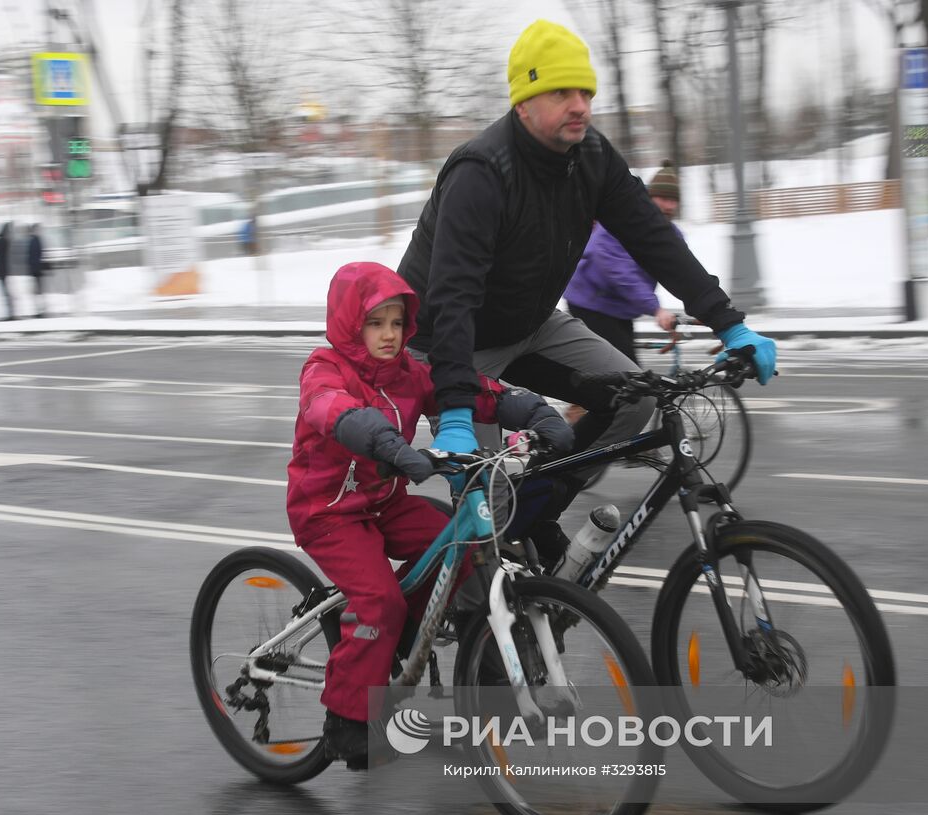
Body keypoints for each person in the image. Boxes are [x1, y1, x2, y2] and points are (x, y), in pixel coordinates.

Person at [396, 19, 777, 566]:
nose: (580, 104)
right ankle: (466, 608)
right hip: (451, 340)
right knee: (487, 507)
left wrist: (728, 323)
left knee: (637, 396)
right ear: (524, 102)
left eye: (586, 92)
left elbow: (654, 240)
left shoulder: (592, 157)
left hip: (529, 324)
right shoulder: (481, 172)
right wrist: (455, 407)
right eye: (561, 92)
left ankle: (537, 511)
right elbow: (451, 296)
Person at [287, 261, 572, 769]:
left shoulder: (409, 374)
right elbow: (329, 409)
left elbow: (472, 389)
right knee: (378, 602)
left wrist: (534, 411)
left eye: (397, 323)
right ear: (351, 322)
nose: (389, 335)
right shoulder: (324, 367)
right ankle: (345, 719)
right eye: (375, 323)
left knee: (458, 549)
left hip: (384, 502)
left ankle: (402, 643)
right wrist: (385, 443)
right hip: (328, 511)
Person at [565, 161, 684, 368]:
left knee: (621, 378)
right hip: (591, 303)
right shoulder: (621, 222)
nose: (669, 206)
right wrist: (656, 309)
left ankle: (586, 399)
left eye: (674, 200)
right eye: (664, 199)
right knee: (628, 373)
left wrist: (706, 310)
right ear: (650, 197)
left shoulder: (671, 234)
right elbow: (621, 274)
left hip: (620, 308)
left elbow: (683, 272)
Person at [26, 223, 48, 318]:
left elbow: (34, 256)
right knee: (38, 291)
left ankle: (41, 310)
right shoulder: (36, 240)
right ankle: (41, 309)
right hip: (36, 269)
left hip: (36, 269)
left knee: (38, 291)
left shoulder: (35, 240)